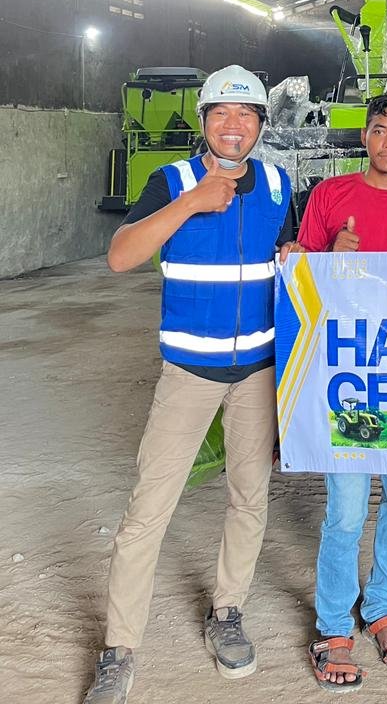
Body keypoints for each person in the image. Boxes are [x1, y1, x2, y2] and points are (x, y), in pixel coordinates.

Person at [83, 66, 299, 704]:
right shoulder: (171, 181)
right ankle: (120, 649)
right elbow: (120, 256)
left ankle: (228, 612)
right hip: (187, 376)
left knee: (249, 498)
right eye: (221, 113)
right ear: (204, 120)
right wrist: (192, 203)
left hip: (256, 373)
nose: (234, 126)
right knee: (148, 510)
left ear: (260, 125)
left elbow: (291, 257)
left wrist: (302, 255)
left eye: (247, 114)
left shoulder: (280, 184)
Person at [297, 92, 387, 691]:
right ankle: (334, 624)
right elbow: (299, 279)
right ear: (364, 136)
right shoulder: (329, 197)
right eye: (379, 130)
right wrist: (327, 259)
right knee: (347, 509)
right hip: (348, 377)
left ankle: (382, 606)